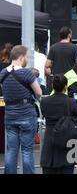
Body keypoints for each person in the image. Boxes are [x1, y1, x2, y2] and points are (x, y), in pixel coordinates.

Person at [0, 45, 43, 174]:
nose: (27, 60)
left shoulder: (2, 73)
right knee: (27, 150)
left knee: (12, 150)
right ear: (22, 57)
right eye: (27, 57)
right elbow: (39, 93)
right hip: (26, 115)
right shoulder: (26, 73)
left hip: (10, 115)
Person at [40, 74, 77, 174]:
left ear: (52, 86)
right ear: (66, 86)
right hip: (68, 143)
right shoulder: (72, 102)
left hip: (49, 143)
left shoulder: (45, 101)